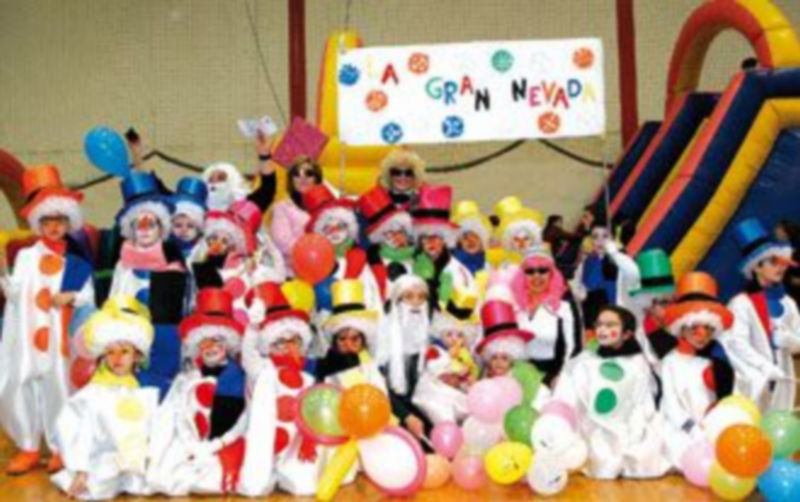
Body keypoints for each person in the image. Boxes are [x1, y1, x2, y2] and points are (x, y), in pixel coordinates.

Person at [0, 165, 95, 475]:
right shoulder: (27, 256)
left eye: (60, 221)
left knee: (59, 386)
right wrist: (3, 274)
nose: (54, 227)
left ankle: (60, 448)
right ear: (37, 223)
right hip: (28, 337)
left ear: (69, 222)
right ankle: (28, 446)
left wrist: (72, 297)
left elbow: (89, 296)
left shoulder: (77, 260)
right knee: (20, 384)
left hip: (58, 337)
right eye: (47, 221)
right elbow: (15, 293)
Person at [50, 296, 159, 500]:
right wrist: (81, 468)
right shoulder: (93, 394)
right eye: (110, 352)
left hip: (132, 466)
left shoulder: (140, 390)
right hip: (99, 463)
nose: (117, 358)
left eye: (124, 351)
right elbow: (76, 429)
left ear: (136, 355)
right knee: (97, 488)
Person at [147, 288, 247, 496]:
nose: (210, 347)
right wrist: (191, 445)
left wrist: (217, 445)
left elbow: (244, 419)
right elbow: (178, 412)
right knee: (164, 478)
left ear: (227, 344)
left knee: (212, 482)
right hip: (192, 443)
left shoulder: (238, 376)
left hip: (226, 444)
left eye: (216, 341)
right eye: (204, 341)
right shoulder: (189, 378)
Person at [551, 305, 669, 479]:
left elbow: (643, 404)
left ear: (627, 333)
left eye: (610, 325)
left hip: (627, 430)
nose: (602, 330)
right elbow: (569, 399)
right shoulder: (585, 361)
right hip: (592, 429)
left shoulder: (638, 364)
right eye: (599, 324)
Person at [239, 282, 322, 496]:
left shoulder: (307, 379)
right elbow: (248, 353)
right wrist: (253, 327)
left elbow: (312, 416)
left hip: (292, 449)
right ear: (269, 344)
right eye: (280, 342)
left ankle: (287, 473)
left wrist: (309, 441)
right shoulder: (262, 369)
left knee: (306, 488)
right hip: (262, 448)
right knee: (255, 489)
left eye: (293, 341)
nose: (287, 346)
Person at [110, 171, 188, 398]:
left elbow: (179, 313)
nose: (144, 229)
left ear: (161, 228)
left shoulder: (173, 264)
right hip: (129, 339)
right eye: (138, 224)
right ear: (130, 229)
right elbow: (115, 300)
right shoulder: (122, 265)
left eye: (150, 223)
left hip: (164, 342)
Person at [659, 272, 735, 468]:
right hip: (680, 428)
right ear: (681, 328)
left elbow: (725, 400)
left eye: (708, 329)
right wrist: (691, 428)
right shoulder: (670, 362)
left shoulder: (716, 360)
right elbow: (671, 403)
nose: (701, 336)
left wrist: (713, 423)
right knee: (687, 457)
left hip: (710, 425)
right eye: (694, 328)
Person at [725, 218, 800, 412]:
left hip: (784, 381)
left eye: (781, 261)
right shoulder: (741, 304)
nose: (781, 267)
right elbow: (736, 344)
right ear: (756, 267)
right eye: (772, 262)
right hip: (754, 386)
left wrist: (788, 340)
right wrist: (765, 367)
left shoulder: (788, 303)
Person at [304, 184, 382, 322]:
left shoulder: (360, 259)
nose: (334, 232)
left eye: (340, 226)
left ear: (350, 228)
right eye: (327, 228)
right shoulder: (315, 264)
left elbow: (372, 297)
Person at [510, 247, 579, 386]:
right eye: (530, 271)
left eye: (542, 270)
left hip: (550, 378)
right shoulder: (513, 305)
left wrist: (562, 377)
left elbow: (573, 347)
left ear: (552, 274)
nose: (537, 276)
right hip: (515, 376)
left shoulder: (563, 307)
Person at [376, 274, 434, 438]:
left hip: (422, 411)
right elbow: (379, 387)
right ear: (397, 302)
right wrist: (406, 416)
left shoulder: (429, 338)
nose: (416, 303)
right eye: (409, 297)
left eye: (422, 297)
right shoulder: (383, 337)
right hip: (391, 414)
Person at [412, 288, 481, 424]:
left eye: (460, 335)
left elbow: (464, 378)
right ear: (441, 334)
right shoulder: (436, 350)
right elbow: (434, 367)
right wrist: (449, 360)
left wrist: (468, 380)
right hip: (434, 392)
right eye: (449, 334)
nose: (454, 340)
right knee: (443, 413)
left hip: (454, 394)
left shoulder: (465, 357)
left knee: (471, 409)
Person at [412, 184, 475, 308]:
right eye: (425, 237)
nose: (431, 242)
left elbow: (467, 306)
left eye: (436, 236)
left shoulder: (458, 271)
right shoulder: (411, 267)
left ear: (445, 240)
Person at [316, 279, 384, 390]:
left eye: (355, 339)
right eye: (342, 339)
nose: (348, 345)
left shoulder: (368, 361)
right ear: (334, 341)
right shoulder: (325, 366)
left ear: (363, 341)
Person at [572, 222, 640, 330]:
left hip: (619, 313)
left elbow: (634, 278)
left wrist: (615, 255)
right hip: (593, 316)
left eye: (605, 236)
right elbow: (580, 286)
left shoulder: (621, 259)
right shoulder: (588, 261)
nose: (600, 241)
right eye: (595, 237)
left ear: (613, 238)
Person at [357, 185, 416, 300]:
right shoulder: (369, 266)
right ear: (379, 238)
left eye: (399, 230)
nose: (395, 236)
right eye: (387, 233)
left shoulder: (419, 260)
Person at [269, 155, 323, 274]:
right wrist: (313, 253)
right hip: (292, 273)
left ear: (317, 179)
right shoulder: (282, 207)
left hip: (322, 271)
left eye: (308, 173)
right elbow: (282, 241)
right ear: (291, 180)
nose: (302, 177)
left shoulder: (326, 208)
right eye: (296, 173)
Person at [202, 131, 277, 213]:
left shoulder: (246, 207)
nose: (215, 182)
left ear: (233, 181)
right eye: (210, 179)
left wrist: (264, 155)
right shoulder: (195, 209)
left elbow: (268, 189)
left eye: (221, 178)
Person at [629, 249, 678, 370]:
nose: (671, 308)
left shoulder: (682, 326)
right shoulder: (640, 336)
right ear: (647, 306)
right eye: (664, 303)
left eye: (674, 301)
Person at [493, 195, 546, 266]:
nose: (522, 243)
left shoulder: (543, 257)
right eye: (516, 239)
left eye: (526, 238)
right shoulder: (503, 261)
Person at [543, 211, 592, 279]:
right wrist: (586, 228)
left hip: (550, 256)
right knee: (576, 242)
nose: (561, 224)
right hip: (557, 258)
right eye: (560, 222)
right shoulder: (554, 229)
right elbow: (572, 237)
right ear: (556, 222)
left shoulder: (547, 229)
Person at [169, 177, 208, 259]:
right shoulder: (163, 247)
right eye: (178, 225)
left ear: (198, 228)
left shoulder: (202, 251)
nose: (184, 230)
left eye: (190, 226)